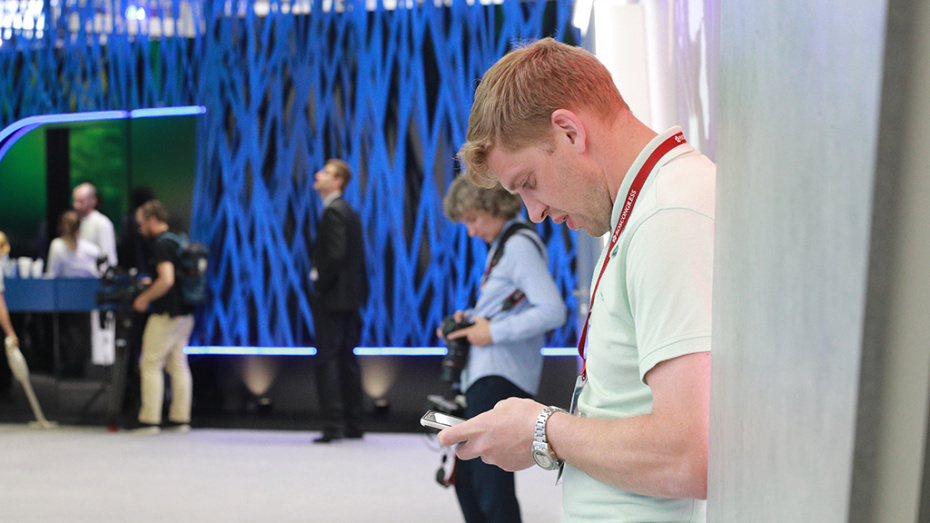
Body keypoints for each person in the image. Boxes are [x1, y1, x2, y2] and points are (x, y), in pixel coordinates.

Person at [437, 38, 715, 522]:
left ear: (569, 131)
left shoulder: (667, 217)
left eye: (527, 182)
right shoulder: (648, 210)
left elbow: (690, 454)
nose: (534, 212)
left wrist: (543, 429)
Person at [440, 175, 566, 522]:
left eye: (473, 219)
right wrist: (472, 321)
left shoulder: (518, 245)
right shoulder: (505, 246)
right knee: (471, 480)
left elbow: (552, 310)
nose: (471, 231)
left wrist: (492, 332)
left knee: (488, 484)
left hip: (498, 377)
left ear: (492, 207)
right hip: (490, 374)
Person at [308, 158, 368, 443]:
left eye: (326, 173)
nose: (318, 175)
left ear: (338, 182)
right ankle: (353, 424)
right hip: (349, 298)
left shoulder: (333, 211)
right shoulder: (348, 211)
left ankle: (333, 425)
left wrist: (319, 284)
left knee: (328, 360)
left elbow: (335, 254)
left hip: (332, 299)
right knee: (346, 359)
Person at [130, 200, 195, 433]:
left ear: (152, 221)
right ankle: (180, 418)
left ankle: (150, 419)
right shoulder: (177, 240)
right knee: (177, 363)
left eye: (141, 224)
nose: (140, 230)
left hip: (167, 312)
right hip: (185, 312)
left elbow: (166, 280)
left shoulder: (161, 244)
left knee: (150, 362)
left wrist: (145, 297)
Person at [46, 211, 101, 377]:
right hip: (81, 298)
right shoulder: (90, 249)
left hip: (69, 298)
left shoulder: (61, 246)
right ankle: (77, 368)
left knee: (74, 333)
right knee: (79, 333)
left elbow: (51, 273)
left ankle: (74, 367)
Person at [72, 182, 118, 267]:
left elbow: (109, 259)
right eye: (75, 201)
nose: (76, 206)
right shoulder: (75, 222)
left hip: (96, 274)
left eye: (81, 202)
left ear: (93, 200)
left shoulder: (102, 223)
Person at [46, 210, 101, 278]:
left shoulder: (92, 250)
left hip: (85, 283)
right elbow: (52, 275)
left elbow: (52, 274)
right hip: (65, 284)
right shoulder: (57, 245)